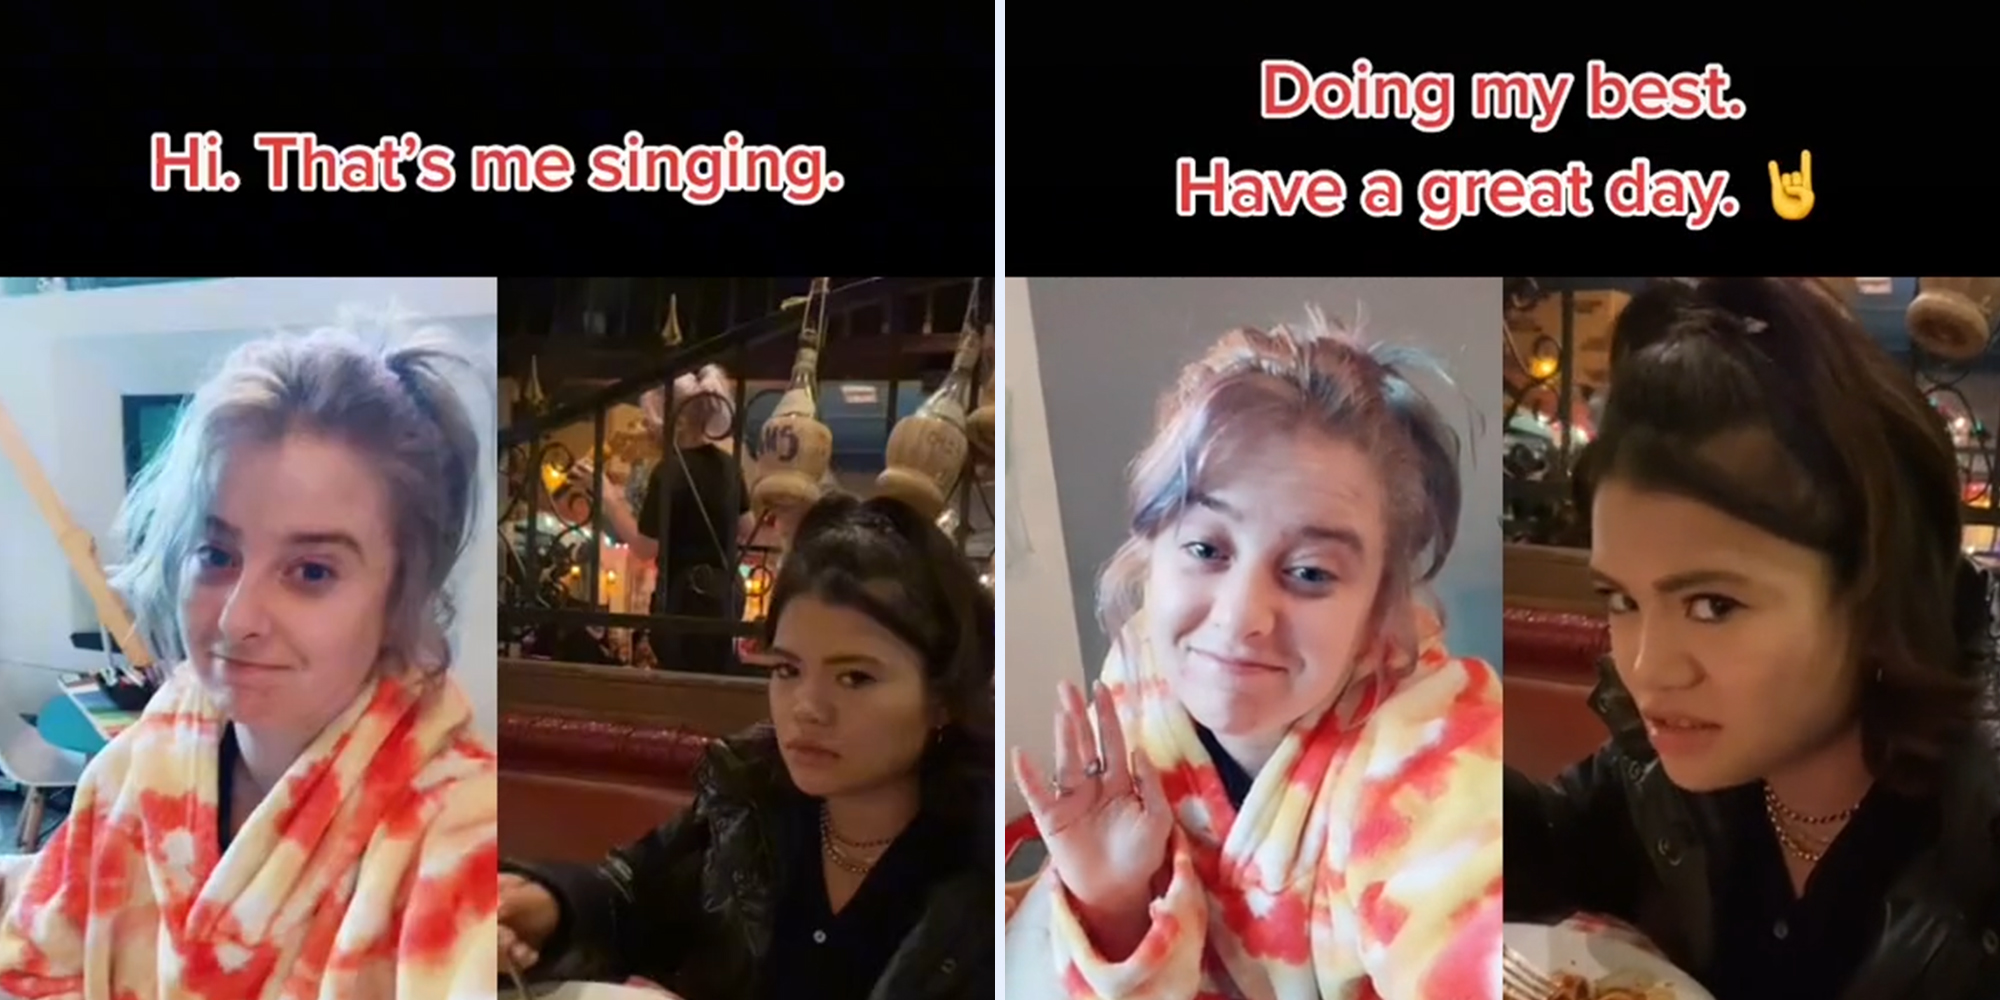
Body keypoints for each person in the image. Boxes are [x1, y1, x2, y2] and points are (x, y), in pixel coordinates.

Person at [1502, 277, 2000, 998]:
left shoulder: (1975, 838)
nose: (1646, 669)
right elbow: (1541, 842)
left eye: (1712, 605)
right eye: (1623, 599)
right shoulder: (1665, 775)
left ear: (1875, 593)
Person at [1005, 318, 1503, 999]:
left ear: (1380, 611)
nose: (1238, 620)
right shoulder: (1139, 682)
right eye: (1207, 550)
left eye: (1309, 572)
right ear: (1150, 555)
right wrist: (1111, 899)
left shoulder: (1436, 752)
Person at [0, 319, 496, 998]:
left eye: (312, 571)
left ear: (402, 594)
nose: (237, 619)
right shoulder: (140, 767)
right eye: (217, 556)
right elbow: (31, 962)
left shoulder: (455, 829)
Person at [498, 493, 994, 999]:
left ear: (941, 698)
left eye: (855, 677)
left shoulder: (986, 873)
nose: (806, 707)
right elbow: (630, 893)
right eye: (787, 669)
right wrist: (551, 905)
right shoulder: (748, 802)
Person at [598, 364, 753, 672]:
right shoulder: (728, 466)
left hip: (683, 598)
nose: (650, 426)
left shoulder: (669, 472)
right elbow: (746, 529)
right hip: (724, 597)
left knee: (681, 682)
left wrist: (610, 499)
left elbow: (646, 548)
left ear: (674, 421)